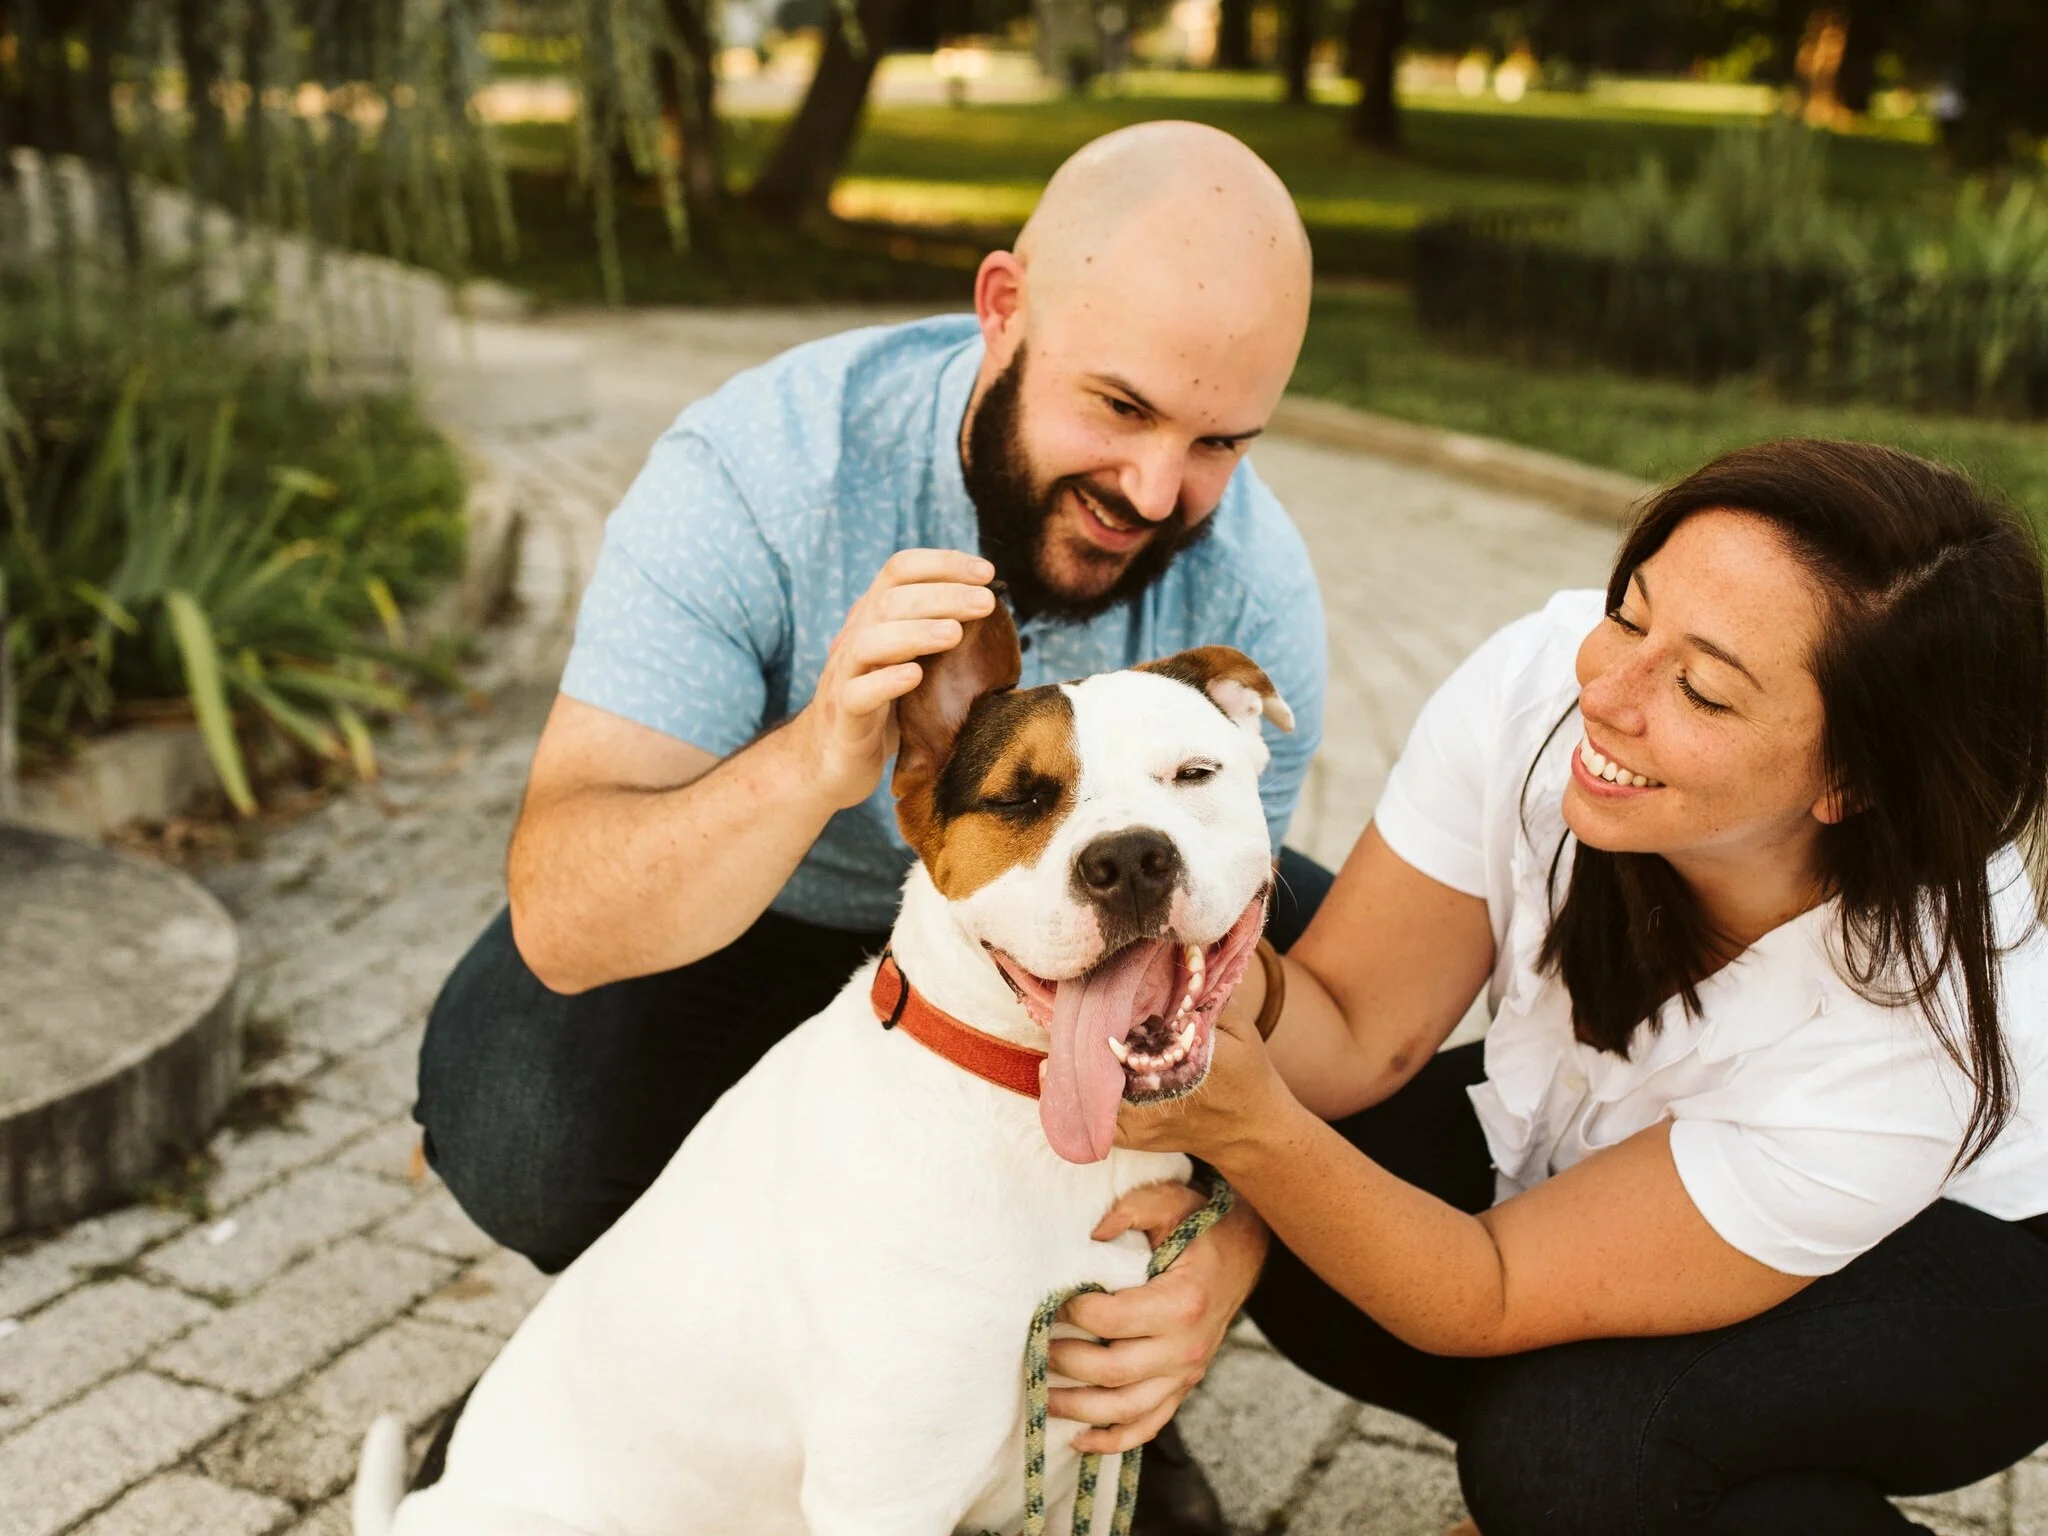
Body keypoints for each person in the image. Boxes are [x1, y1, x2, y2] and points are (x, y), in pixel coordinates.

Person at [413, 121, 1327, 1531]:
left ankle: (1063, 1355)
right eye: (1122, 408)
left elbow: (1251, 996)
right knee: (526, 1109)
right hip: (744, 916)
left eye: (1220, 441)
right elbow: (564, 909)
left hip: (1089, 953)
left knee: (1339, 954)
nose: (1157, 490)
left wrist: (1228, 1256)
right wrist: (817, 756)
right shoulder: (761, 472)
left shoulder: (1256, 586)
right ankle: (658, 1389)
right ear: (1004, 310)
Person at [1092, 438, 2048, 1534]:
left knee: (1572, 1449)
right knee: (1331, 1227)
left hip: (1963, 1257)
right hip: (1609, 1140)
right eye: (1631, 614)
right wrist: (1195, 965)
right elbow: (1355, 1033)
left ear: (1850, 779)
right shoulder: (1546, 680)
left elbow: (1485, 1286)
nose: (1603, 691)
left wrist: (1249, 1137)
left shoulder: (1897, 1036)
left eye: (1698, 690)